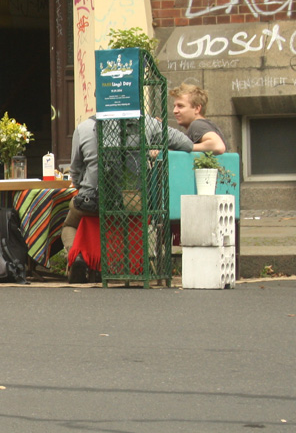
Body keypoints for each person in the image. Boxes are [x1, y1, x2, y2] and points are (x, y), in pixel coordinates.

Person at [61, 114, 192, 283]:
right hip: (133, 203)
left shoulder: (84, 128)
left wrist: (83, 187)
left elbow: (76, 171)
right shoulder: (148, 124)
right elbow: (186, 144)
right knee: (130, 210)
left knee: (69, 224)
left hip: (92, 203)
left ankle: (79, 256)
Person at [169, 83, 228, 154]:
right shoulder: (205, 125)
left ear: (197, 108)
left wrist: (186, 147)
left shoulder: (197, 125)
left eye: (180, 106)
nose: (174, 111)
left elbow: (218, 146)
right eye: (174, 106)